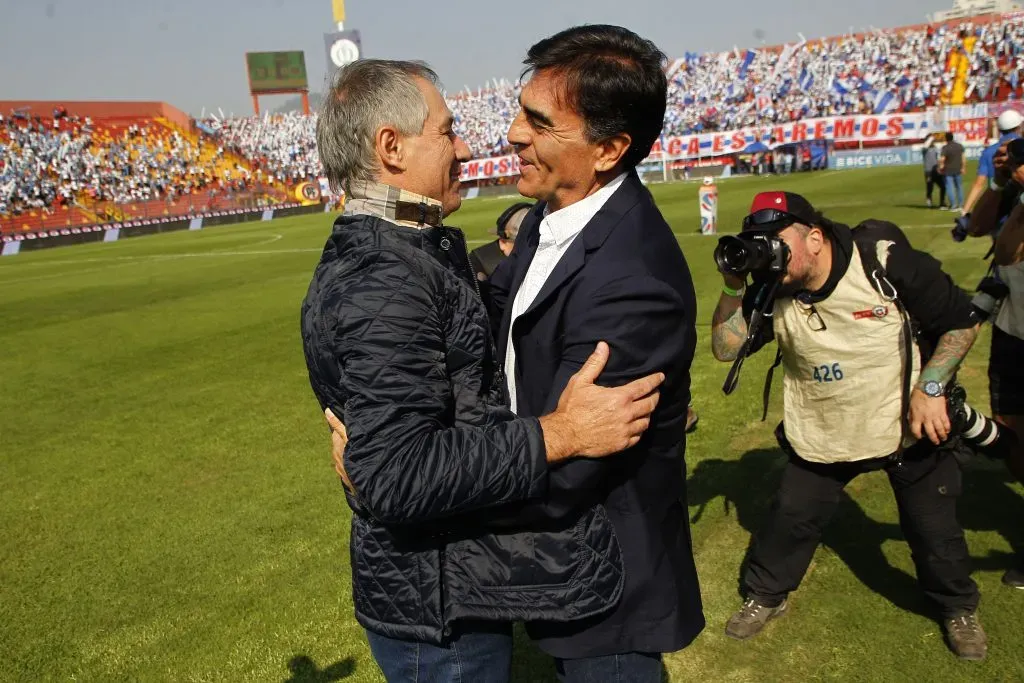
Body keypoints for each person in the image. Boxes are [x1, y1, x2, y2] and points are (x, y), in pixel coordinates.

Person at [302, 58, 666, 683]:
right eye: (446, 132)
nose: (466, 147)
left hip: (447, 586)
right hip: (436, 606)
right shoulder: (386, 278)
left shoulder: (406, 254)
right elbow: (397, 473)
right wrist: (563, 434)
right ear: (391, 147)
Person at [489, 25, 704, 681]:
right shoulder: (551, 216)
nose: (513, 134)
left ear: (609, 148)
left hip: (609, 586)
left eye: (539, 122)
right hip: (564, 568)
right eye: (519, 110)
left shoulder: (633, 282)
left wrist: (424, 483)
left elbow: (568, 471)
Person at [710, 191, 988, 660]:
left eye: (777, 240)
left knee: (933, 528)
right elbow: (724, 347)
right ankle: (766, 596)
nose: (768, 251)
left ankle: (957, 608)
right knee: (790, 517)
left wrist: (933, 388)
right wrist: (735, 286)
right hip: (823, 424)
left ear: (814, 238)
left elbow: (962, 320)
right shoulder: (770, 284)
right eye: (759, 242)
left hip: (905, 421)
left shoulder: (882, 261)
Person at [967, 138, 1024, 588]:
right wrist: (1003, 183)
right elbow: (978, 226)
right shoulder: (1013, 190)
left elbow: (1009, 249)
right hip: (1011, 330)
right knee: (1012, 436)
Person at [962, 110, 1023, 216]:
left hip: (998, 211)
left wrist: (964, 211)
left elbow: (978, 184)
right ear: (1019, 127)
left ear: (999, 130)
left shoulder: (988, 152)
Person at [940, 132, 967, 211]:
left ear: (946, 138)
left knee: (950, 188)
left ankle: (953, 205)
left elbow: (942, 159)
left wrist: (941, 168)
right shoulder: (959, 146)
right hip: (958, 169)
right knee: (959, 187)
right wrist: (963, 168)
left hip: (948, 170)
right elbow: (963, 158)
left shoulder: (945, 148)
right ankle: (961, 205)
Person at [923, 136, 946, 209]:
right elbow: (926, 145)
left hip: (936, 170)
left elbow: (940, 156)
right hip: (928, 171)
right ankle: (929, 202)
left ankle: (942, 203)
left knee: (943, 186)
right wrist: (931, 138)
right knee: (930, 187)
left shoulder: (935, 148)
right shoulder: (924, 150)